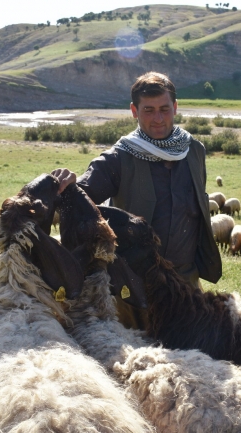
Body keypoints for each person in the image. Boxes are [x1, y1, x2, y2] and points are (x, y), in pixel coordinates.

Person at [53, 71, 221, 328]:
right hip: (133, 286)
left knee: (194, 357)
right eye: (148, 110)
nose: (158, 118)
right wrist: (66, 185)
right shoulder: (119, 158)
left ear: (175, 107)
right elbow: (81, 197)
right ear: (134, 111)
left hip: (187, 282)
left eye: (165, 109)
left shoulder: (194, 151)